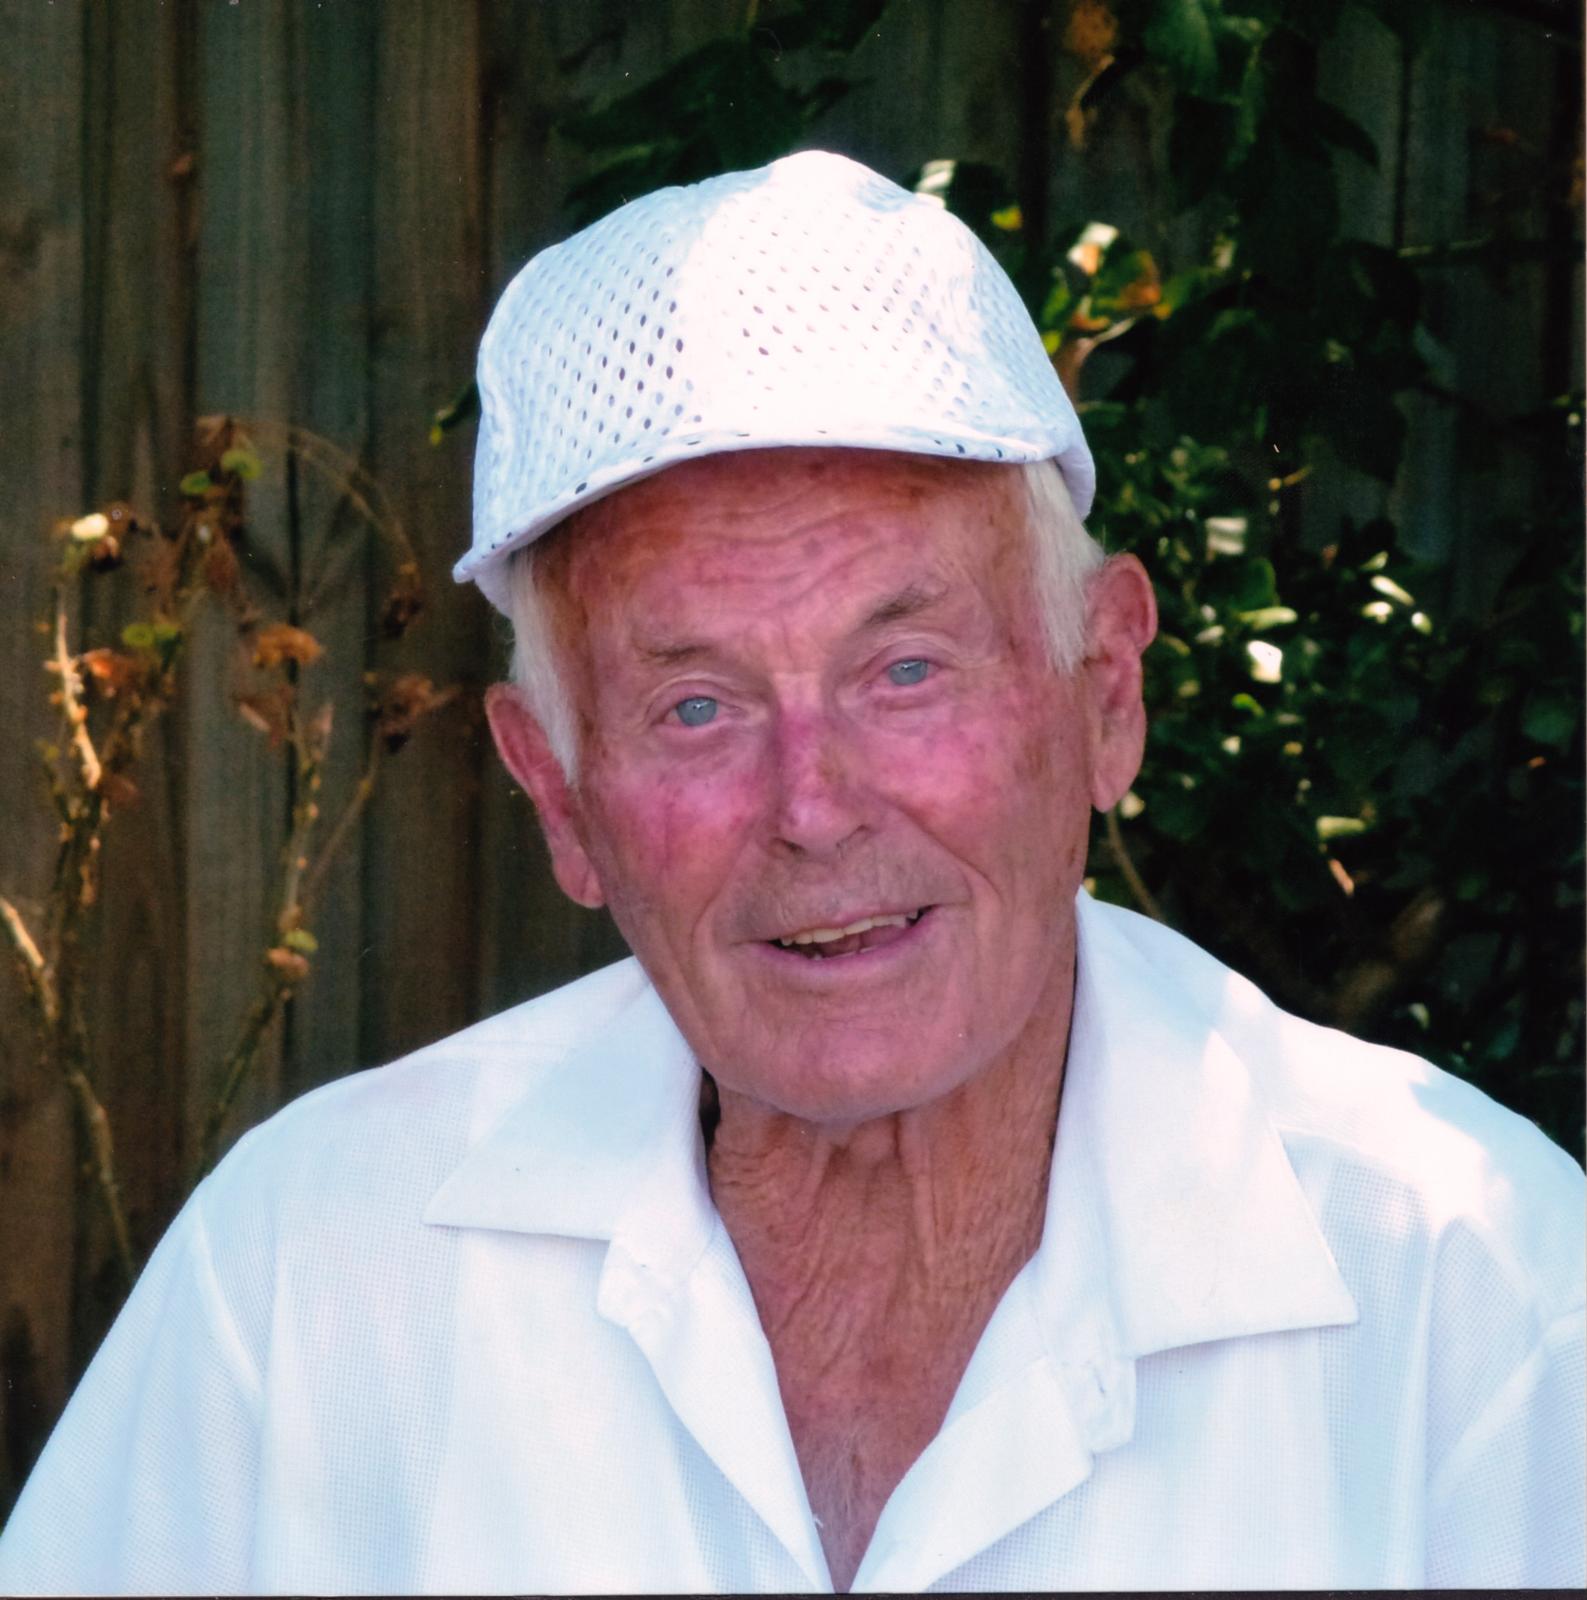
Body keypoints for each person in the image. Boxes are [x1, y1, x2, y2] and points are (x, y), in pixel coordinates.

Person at [0, 151, 1580, 1595]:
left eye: (905, 670)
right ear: (556, 793)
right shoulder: (313, 1274)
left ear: (1106, 693)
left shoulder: (1473, 1287)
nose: (812, 807)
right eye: (696, 707)